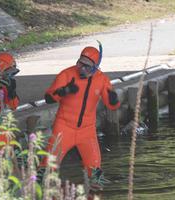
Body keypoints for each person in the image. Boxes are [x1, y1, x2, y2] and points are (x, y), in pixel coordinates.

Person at [41, 43, 120, 188]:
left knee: (96, 173)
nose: (81, 69)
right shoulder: (67, 74)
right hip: (63, 128)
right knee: (47, 168)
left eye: (86, 66)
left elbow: (111, 105)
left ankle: (96, 195)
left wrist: (114, 99)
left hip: (87, 131)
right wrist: (63, 91)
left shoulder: (102, 79)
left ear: (95, 67)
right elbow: (48, 98)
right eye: (80, 64)